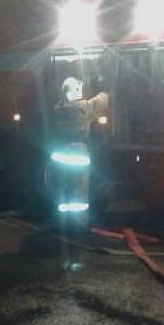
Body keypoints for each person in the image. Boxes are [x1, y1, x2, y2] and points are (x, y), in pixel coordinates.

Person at [51, 76, 109, 230]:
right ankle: (79, 224)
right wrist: (105, 90)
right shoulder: (82, 108)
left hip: (62, 150)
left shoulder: (58, 109)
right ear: (76, 90)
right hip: (78, 150)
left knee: (63, 187)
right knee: (79, 188)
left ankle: (63, 222)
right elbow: (101, 102)